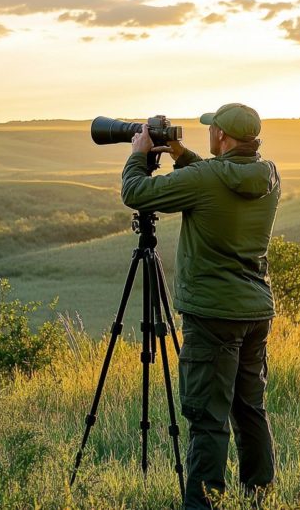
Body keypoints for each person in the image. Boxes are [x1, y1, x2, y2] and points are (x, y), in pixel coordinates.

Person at [120, 103, 280, 509]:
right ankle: (260, 497)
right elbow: (217, 178)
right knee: (249, 409)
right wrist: (180, 155)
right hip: (255, 312)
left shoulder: (206, 178)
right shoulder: (269, 176)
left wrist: (139, 154)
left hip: (213, 316)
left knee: (208, 417)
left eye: (212, 130)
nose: (208, 135)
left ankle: (202, 504)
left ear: (222, 137)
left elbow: (135, 193)